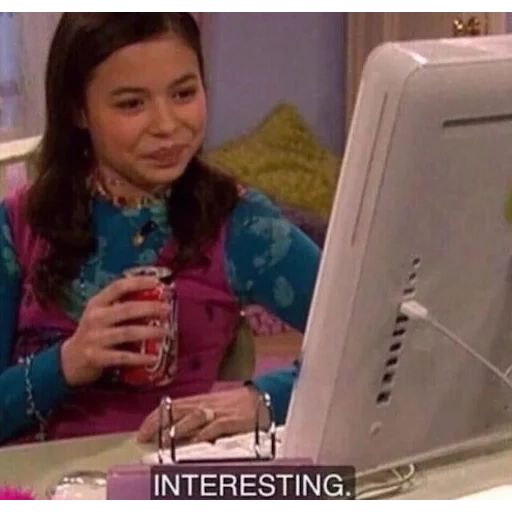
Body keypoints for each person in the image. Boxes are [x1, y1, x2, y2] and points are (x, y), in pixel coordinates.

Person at [0, 12, 320, 446]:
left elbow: (382, 347)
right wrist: (66, 363)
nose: (167, 126)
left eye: (184, 93)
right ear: (78, 109)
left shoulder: (239, 224)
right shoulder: (19, 223)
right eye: (132, 104)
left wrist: (263, 398)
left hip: (165, 473)